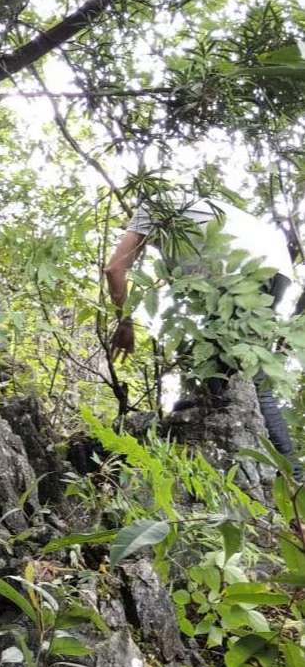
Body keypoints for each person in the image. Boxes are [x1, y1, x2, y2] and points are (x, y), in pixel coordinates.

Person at [104, 191, 301, 478]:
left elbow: (114, 268)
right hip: (275, 266)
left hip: (240, 271)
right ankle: (229, 455)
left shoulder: (152, 207)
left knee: (254, 383)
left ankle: (294, 480)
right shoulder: (192, 210)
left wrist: (124, 324)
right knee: (228, 376)